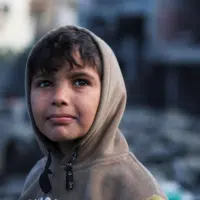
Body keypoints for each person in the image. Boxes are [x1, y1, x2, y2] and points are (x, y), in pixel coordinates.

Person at [19, 25, 167, 200]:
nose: (59, 97)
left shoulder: (135, 188)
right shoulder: (38, 177)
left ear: (108, 94)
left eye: (80, 82)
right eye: (45, 83)